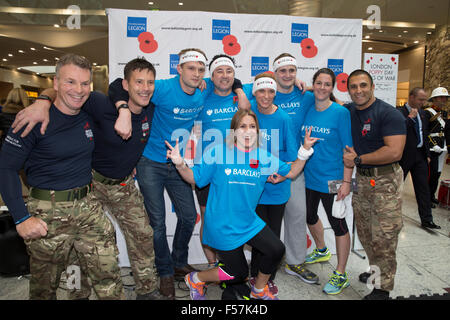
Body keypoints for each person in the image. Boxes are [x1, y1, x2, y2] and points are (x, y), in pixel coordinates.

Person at [11, 57, 165, 299]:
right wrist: (42, 100)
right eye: (139, 82)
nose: (145, 87)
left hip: (121, 184)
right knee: (74, 254)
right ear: (126, 85)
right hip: (91, 183)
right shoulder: (99, 103)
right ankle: (77, 293)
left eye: (150, 82)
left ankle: (147, 290)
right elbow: (72, 91)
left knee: (140, 235)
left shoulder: (152, 108)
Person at [108, 48, 249, 299]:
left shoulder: (202, 89)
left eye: (200, 69)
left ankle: (178, 262)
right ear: (179, 69)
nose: (196, 74)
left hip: (178, 163)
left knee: (188, 216)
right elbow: (118, 87)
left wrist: (237, 87)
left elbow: (229, 80)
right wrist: (123, 109)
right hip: (150, 162)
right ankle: (164, 273)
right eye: (191, 68)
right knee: (158, 224)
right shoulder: (162, 88)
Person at [0, 54, 124, 300]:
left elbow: (122, 88)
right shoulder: (31, 119)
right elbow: (5, 169)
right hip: (48, 212)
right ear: (56, 83)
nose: (78, 90)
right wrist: (21, 218)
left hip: (88, 207)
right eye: (70, 82)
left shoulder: (89, 108)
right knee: (45, 287)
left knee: (107, 275)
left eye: (84, 83)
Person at [166, 109, 318, 300]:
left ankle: (259, 289)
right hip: (222, 224)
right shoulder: (217, 152)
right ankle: (196, 278)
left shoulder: (264, 157)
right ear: (234, 131)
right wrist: (180, 164)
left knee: (276, 249)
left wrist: (304, 151)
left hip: (247, 221)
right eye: (242, 126)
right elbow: (195, 178)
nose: (248, 131)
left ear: (258, 131)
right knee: (237, 273)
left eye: (252, 127)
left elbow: (292, 171)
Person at [342, 69, 406, 300]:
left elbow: (394, 151)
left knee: (385, 235)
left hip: (385, 180)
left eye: (363, 85)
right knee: (368, 233)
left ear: (372, 87)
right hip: (363, 180)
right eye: (353, 87)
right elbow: (330, 100)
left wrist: (358, 159)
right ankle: (375, 271)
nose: (358, 91)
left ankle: (382, 288)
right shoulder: (349, 110)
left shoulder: (389, 114)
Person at [193, 54, 249, 272]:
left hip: (236, 169)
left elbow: (278, 87)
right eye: (219, 71)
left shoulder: (241, 96)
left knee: (233, 217)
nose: (224, 76)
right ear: (211, 75)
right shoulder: (202, 94)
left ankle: (230, 266)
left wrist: (240, 89)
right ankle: (212, 265)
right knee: (208, 218)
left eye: (229, 71)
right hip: (207, 169)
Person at [301, 68, 353, 295]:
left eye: (327, 84)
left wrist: (346, 182)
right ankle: (321, 249)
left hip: (333, 179)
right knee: (309, 216)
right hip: (308, 177)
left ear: (333, 88)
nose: (322, 88)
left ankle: (340, 273)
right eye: (318, 83)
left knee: (339, 224)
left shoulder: (340, 112)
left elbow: (348, 150)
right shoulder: (307, 108)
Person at [247, 72, 297, 296]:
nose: (266, 96)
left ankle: (267, 278)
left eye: (270, 91)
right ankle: (253, 275)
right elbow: (237, 149)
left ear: (275, 93)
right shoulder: (247, 115)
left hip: (277, 189)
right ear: (254, 92)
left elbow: (292, 156)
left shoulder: (284, 118)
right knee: (256, 235)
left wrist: (282, 175)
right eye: (261, 91)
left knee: (272, 237)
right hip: (253, 190)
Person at [271, 53, 318, 285]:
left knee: (297, 215)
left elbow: (327, 95)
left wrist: (308, 85)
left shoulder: (305, 96)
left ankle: (295, 262)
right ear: (274, 73)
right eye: (283, 71)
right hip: (264, 167)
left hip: (294, 166)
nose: (288, 75)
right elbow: (233, 86)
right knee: (261, 217)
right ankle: (262, 264)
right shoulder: (264, 92)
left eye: (292, 70)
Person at [399, 88, 440, 229]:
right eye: (420, 99)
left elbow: (425, 134)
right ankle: (393, 217)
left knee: (423, 188)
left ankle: (427, 219)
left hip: (420, 156)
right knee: (397, 187)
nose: (423, 103)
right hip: (404, 157)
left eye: (424, 100)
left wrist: (427, 154)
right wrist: (410, 118)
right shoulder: (399, 112)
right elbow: (399, 131)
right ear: (411, 97)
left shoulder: (423, 114)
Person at [425, 87, 449, 206]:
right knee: (431, 173)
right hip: (432, 147)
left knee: (438, 173)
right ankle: (426, 197)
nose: (443, 100)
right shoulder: (427, 112)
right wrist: (432, 145)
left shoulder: (444, 113)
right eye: (441, 97)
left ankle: (432, 194)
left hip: (442, 146)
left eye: (445, 98)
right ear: (434, 99)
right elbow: (425, 132)